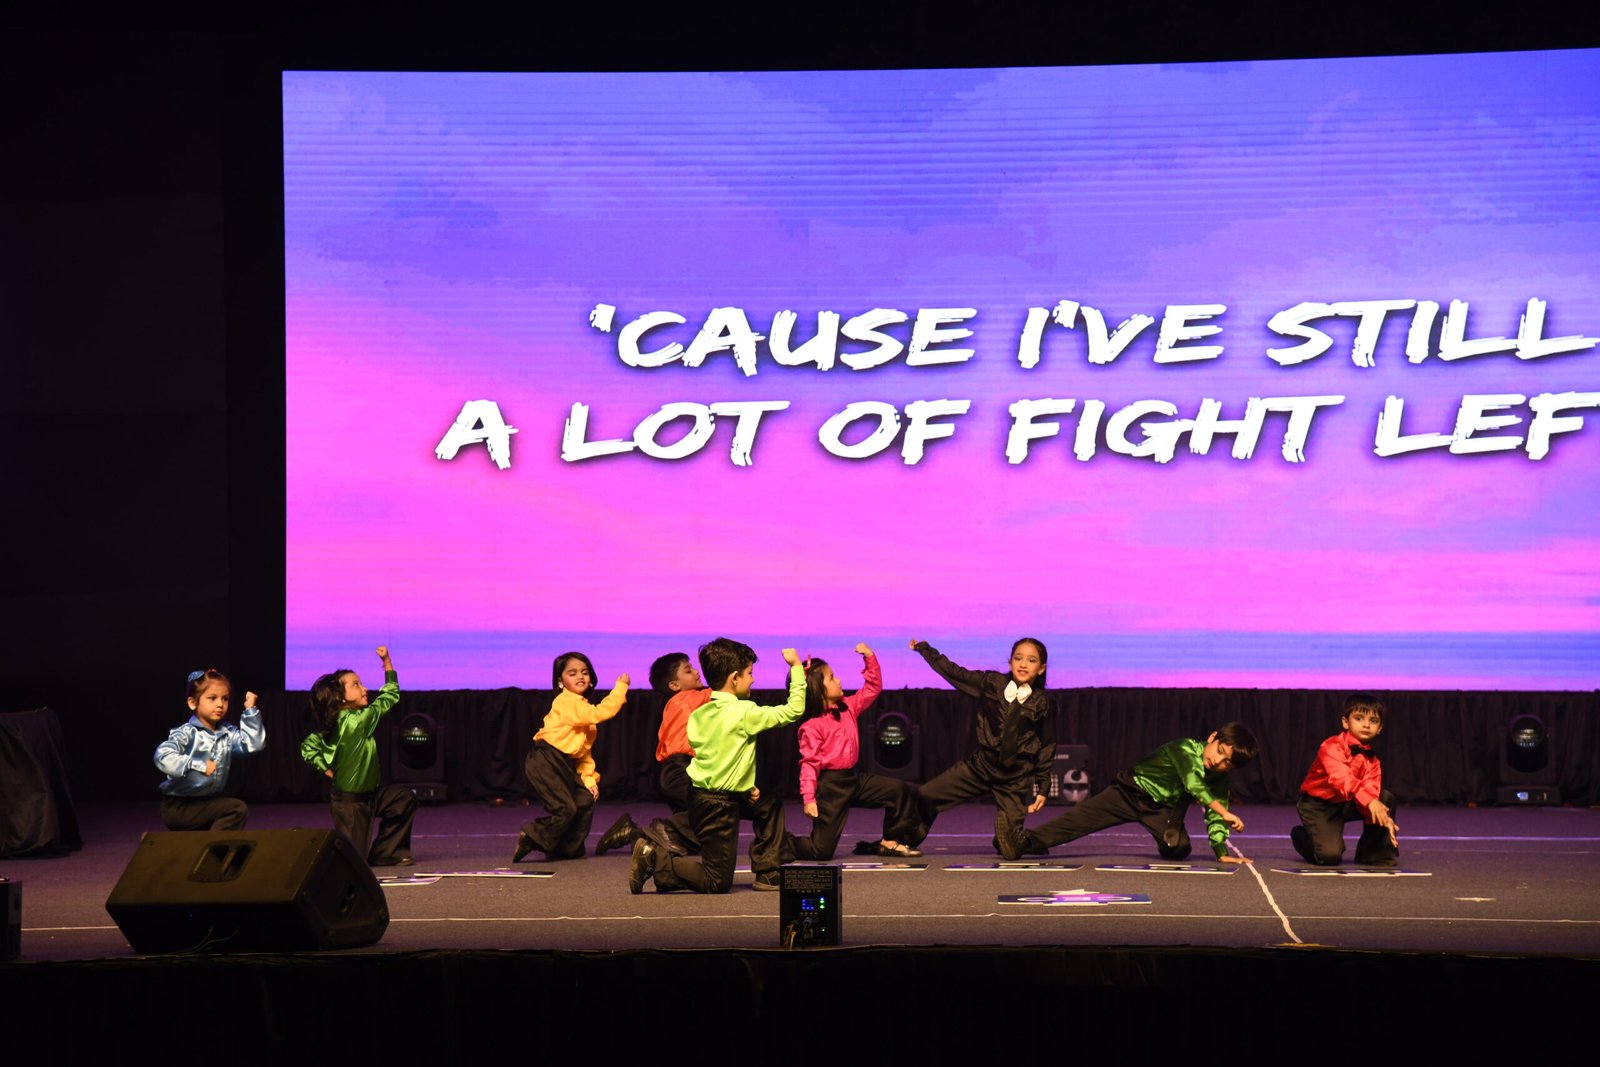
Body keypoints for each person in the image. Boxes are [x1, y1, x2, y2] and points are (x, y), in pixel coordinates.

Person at [629, 639, 803, 893]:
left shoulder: (701, 713)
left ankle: (767, 871)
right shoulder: (744, 712)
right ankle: (656, 859)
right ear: (734, 678)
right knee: (716, 881)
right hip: (717, 803)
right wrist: (796, 667)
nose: (753, 679)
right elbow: (793, 710)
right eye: (750, 673)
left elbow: (720, 758)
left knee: (768, 805)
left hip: (706, 794)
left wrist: (744, 787)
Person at [1015, 723, 1258, 864]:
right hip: (1129, 793)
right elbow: (1194, 784)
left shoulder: (1219, 778)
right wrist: (1224, 811)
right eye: (1220, 751)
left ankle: (1170, 838)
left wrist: (1221, 851)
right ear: (1213, 738)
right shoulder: (1185, 748)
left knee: (1178, 850)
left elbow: (1215, 816)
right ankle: (1025, 841)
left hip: (1162, 809)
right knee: (1078, 821)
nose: (1218, 761)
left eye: (1227, 763)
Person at [901, 638, 1055, 859]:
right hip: (982, 766)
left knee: (1011, 851)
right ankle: (905, 839)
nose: (1023, 664)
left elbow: (1047, 744)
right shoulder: (992, 683)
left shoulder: (1042, 703)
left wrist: (1043, 785)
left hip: (1015, 777)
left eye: (1031, 660)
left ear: (1041, 668)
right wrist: (925, 650)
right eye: (1018, 658)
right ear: (1010, 662)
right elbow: (955, 673)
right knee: (926, 795)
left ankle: (1012, 837)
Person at [787, 643, 919, 860]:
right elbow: (809, 764)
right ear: (819, 691)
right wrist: (809, 798)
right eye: (831, 678)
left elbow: (872, 688)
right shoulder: (811, 726)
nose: (838, 680)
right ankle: (781, 842)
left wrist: (869, 658)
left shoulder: (847, 707)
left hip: (853, 779)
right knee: (820, 851)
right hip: (831, 788)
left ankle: (889, 841)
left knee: (898, 790)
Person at [300, 646, 416, 866]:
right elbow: (390, 695)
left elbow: (308, 747)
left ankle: (385, 853)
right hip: (350, 805)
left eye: (361, 684)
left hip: (370, 796)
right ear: (340, 697)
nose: (364, 689)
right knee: (353, 862)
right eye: (356, 685)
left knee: (402, 799)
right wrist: (387, 661)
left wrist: (323, 767)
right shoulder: (359, 720)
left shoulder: (336, 722)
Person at [512, 652, 629, 862]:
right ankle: (532, 836)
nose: (580, 677)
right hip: (546, 759)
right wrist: (620, 690)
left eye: (584, 672)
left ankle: (567, 848)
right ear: (560, 681)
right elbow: (598, 713)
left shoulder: (584, 714)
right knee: (565, 808)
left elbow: (583, 755)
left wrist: (589, 779)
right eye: (572, 673)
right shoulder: (566, 701)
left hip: (564, 763)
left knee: (585, 799)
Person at [1291, 694, 1399, 867]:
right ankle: (1303, 836)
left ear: (1380, 728)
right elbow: (1341, 779)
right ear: (1345, 722)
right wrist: (1370, 801)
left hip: (1347, 803)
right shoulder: (1331, 746)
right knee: (1329, 856)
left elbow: (1371, 790)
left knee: (1384, 798)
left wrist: (1381, 817)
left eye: (1373, 721)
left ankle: (1373, 854)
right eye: (1359, 718)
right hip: (1319, 806)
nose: (1366, 725)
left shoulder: (1373, 761)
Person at [155, 668, 264, 830]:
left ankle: (204, 842)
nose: (220, 704)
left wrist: (250, 710)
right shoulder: (186, 733)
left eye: (225, 699)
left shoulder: (227, 733)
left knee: (229, 810)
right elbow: (163, 756)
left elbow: (254, 744)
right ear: (193, 703)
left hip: (205, 803)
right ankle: (213, 845)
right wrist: (198, 765)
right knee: (235, 809)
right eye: (212, 698)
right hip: (179, 806)